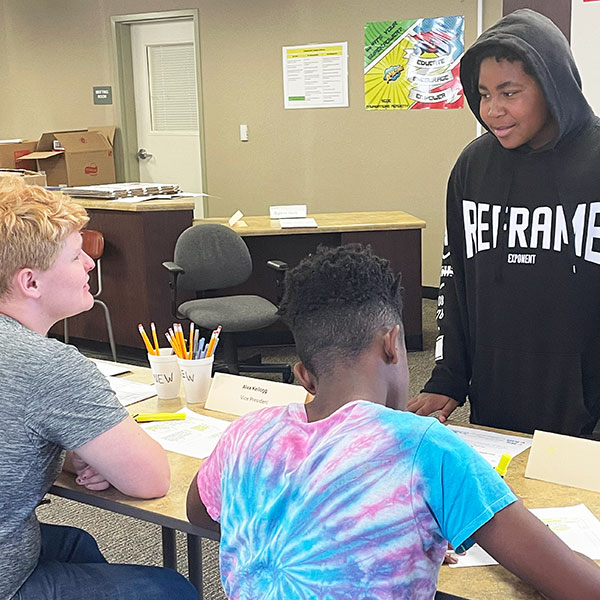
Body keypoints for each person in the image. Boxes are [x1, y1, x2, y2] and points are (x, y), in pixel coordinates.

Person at [186, 243, 600, 599]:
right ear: (393, 343)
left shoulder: (245, 434)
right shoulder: (424, 447)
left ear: (303, 376)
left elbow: (200, 512)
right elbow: (578, 587)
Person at [0, 177, 197, 600]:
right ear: (30, 282)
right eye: (75, 257)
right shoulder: (48, 367)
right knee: (169, 588)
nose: (90, 264)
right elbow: (151, 480)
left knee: (78, 546)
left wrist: (72, 455)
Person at [408, 9, 600, 436]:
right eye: (483, 93)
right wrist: (450, 377)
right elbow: (454, 280)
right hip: (496, 404)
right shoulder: (473, 168)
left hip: (587, 415)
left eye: (509, 93)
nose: (492, 110)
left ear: (552, 87)